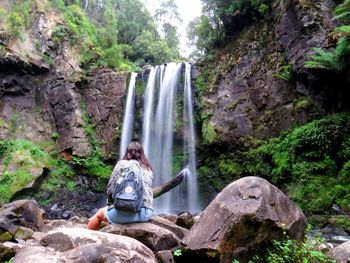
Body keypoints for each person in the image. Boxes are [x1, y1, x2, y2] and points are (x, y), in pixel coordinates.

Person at [87, 141, 153, 230]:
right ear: (142, 154)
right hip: (145, 214)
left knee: (99, 214)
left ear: (127, 152)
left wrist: (111, 206)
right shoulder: (147, 168)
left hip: (124, 213)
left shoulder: (121, 164)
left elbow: (111, 188)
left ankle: (86, 237)